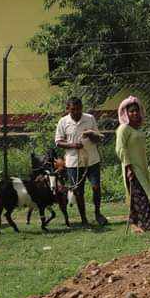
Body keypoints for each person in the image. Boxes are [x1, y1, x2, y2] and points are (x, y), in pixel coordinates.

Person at [54, 96, 108, 226]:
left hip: (92, 160)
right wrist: (73, 145)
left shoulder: (89, 119)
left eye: (78, 109)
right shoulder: (63, 121)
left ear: (82, 108)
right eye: (73, 110)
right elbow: (58, 142)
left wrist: (91, 135)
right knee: (78, 190)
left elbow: (98, 139)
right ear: (68, 109)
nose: (76, 112)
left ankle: (97, 213)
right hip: (74, 162)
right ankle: (84, 219)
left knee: (96, 187)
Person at [115, 97, 150, 232]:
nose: (134, 114)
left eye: (136, 111)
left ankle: (143, 222)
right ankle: (143, 223)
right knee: (140, 194)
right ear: (125, 113)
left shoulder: (137, 129)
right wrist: (128, 167)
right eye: (131, 111)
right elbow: (120, 149)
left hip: (142, 167)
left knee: (144, 193)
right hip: (132, 168)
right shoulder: (123, 129)